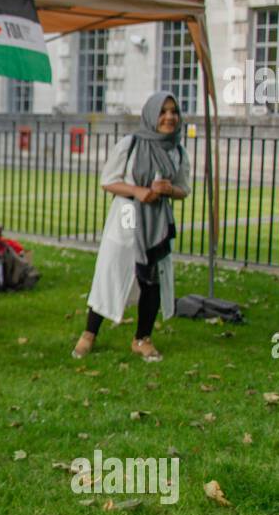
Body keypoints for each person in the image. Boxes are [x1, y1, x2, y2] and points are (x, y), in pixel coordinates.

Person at [73, 92, 191, 363]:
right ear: (151, 114)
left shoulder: (177, 150)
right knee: (112, 271)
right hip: (127, 216)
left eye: (173, 111)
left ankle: (142, 338)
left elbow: (184, 188)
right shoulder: (132, 144)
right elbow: (108, 181)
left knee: (152, 278)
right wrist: (138, 191)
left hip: (157, 222)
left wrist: (170, 189)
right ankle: (89, 334)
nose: (169, 117)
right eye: (163, 112)